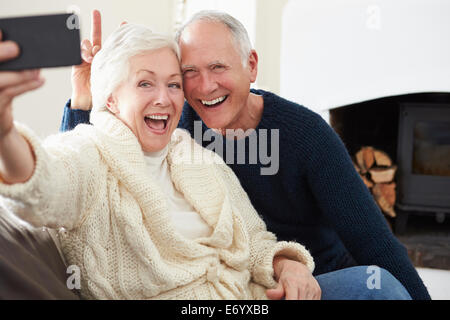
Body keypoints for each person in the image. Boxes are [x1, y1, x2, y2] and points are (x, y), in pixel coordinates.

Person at [0, 22, 413, 300]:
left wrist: (286, 264)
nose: (176, 94)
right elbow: (53, 177)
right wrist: (8, 130)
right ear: (111, 98)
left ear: (251, 67)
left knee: (378, 288)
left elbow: (260, 239)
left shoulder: (197, 152)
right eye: (147, 82)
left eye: (174, 84)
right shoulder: (103, 151)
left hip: (266, 289)